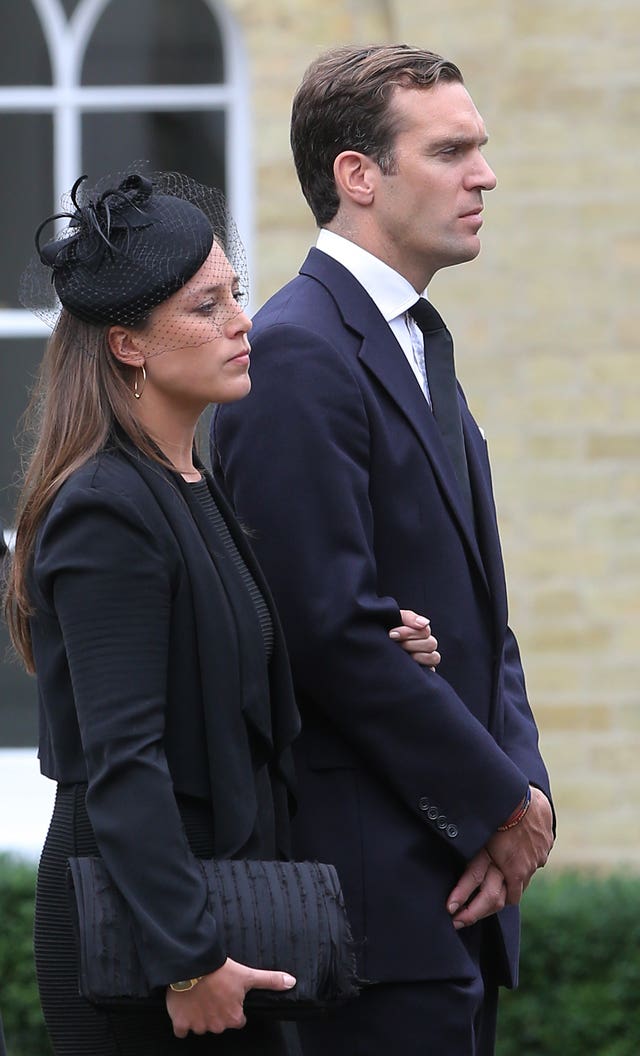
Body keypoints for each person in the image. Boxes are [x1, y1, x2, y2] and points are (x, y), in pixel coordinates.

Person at [3, 168, 437, 1056]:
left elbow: (224, 704)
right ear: (128, 344)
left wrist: (387, 652)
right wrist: (189, 959)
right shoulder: (106, 509)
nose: (244, 322)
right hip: (148, 936)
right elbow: (122, 760)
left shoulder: (192, 486)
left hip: (223, 905)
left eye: (236, 294)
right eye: (208, 307)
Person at [211, 44, 555, 1056]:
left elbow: (480, 619)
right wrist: (492, 805)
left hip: (457, 890)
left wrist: (521, 797)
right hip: (371, 909)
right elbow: (326, 632)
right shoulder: (298, 351)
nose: (482, 174)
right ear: (357, 175)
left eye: (479, 150)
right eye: (451, 151)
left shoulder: (414, 338)